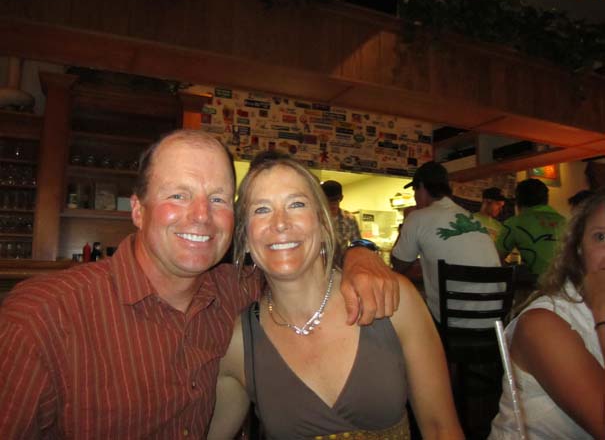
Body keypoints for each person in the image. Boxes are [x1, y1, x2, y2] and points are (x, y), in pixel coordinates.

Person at [0, 130, 400, 438]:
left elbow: (299, 264)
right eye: (179, 195)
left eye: (218, 199)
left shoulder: (237, 289)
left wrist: (359, 254)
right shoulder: (41, 319)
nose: (201, 216)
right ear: (138, 210)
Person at [208, 152, 463, 439]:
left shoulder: (392, 299)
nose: (280, 223)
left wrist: (360, 250)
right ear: (244, 237)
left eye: (296, 204)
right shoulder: (237, 344)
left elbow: (442, 428)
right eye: (262, 209)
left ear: (322, 223)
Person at [489, 188, 605, 439]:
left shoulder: (513, 223)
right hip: (545, 295)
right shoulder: (542, 325)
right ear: (578, 249)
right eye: (601, 236)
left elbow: (495, 260)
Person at [391, 161, 502, 327]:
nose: (415, 197)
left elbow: (398, 264)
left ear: (421, 187)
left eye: (414, 191)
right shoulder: (470, 217)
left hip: (452, 322)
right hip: (495, 321)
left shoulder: (417, 217)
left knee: (404, 313)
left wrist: (406, 220)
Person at [496, 178, 566, 276]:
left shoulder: (514, 223)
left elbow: (495, 259)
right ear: (546, 200)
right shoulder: (566, 221)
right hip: (572, 281)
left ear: (518, 201)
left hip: (541, 283)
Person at [321, 180, 361, 263]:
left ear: (341, 198)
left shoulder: (349, 219)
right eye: (329, 200)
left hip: (341, 266)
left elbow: (357, 246)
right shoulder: (316, 218)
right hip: (320, 265)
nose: (332, 204)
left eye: (335, 200)